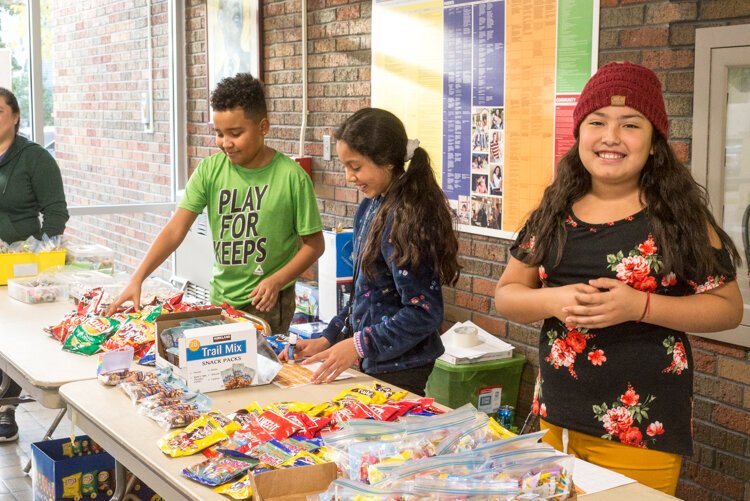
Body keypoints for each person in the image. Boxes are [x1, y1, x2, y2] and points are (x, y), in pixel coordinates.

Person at [494, 61, 743, 495]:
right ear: (579, 133)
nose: (611, 137)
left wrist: (640, 306)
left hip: (643, 428)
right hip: (557, 414)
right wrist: (552, 301)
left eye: (630, 124)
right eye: (597, 122)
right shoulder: (554, 212)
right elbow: (507, 295)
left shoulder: (678, 219)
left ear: (653, 141)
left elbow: (727, 308)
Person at [106, 73, 324, 335]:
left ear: (263, 127)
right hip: (221, 299)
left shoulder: (292, 176)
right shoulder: (209, 170)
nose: (225, 143)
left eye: (235, 133)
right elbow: (176, 230)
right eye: (219, 133)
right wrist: (138, 277)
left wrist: (277, 280)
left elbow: (314, 245)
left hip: (269, 301)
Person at [281, 108, 460, 396]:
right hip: (373, 358)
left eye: (356, 167)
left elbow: (423, 311)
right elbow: (362, 295)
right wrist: (328, 338)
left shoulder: (409, 218)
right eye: (345, 167)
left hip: (402, 366)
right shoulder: (370, 205)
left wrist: (356, 345)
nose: (349, 177)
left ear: (388, 162)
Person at [0, 87, 69, 442]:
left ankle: (5, 407)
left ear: (14, 116)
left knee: (10, 336)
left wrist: (43, 254)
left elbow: (56, 209)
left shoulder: (34, 157)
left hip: (20, 266)